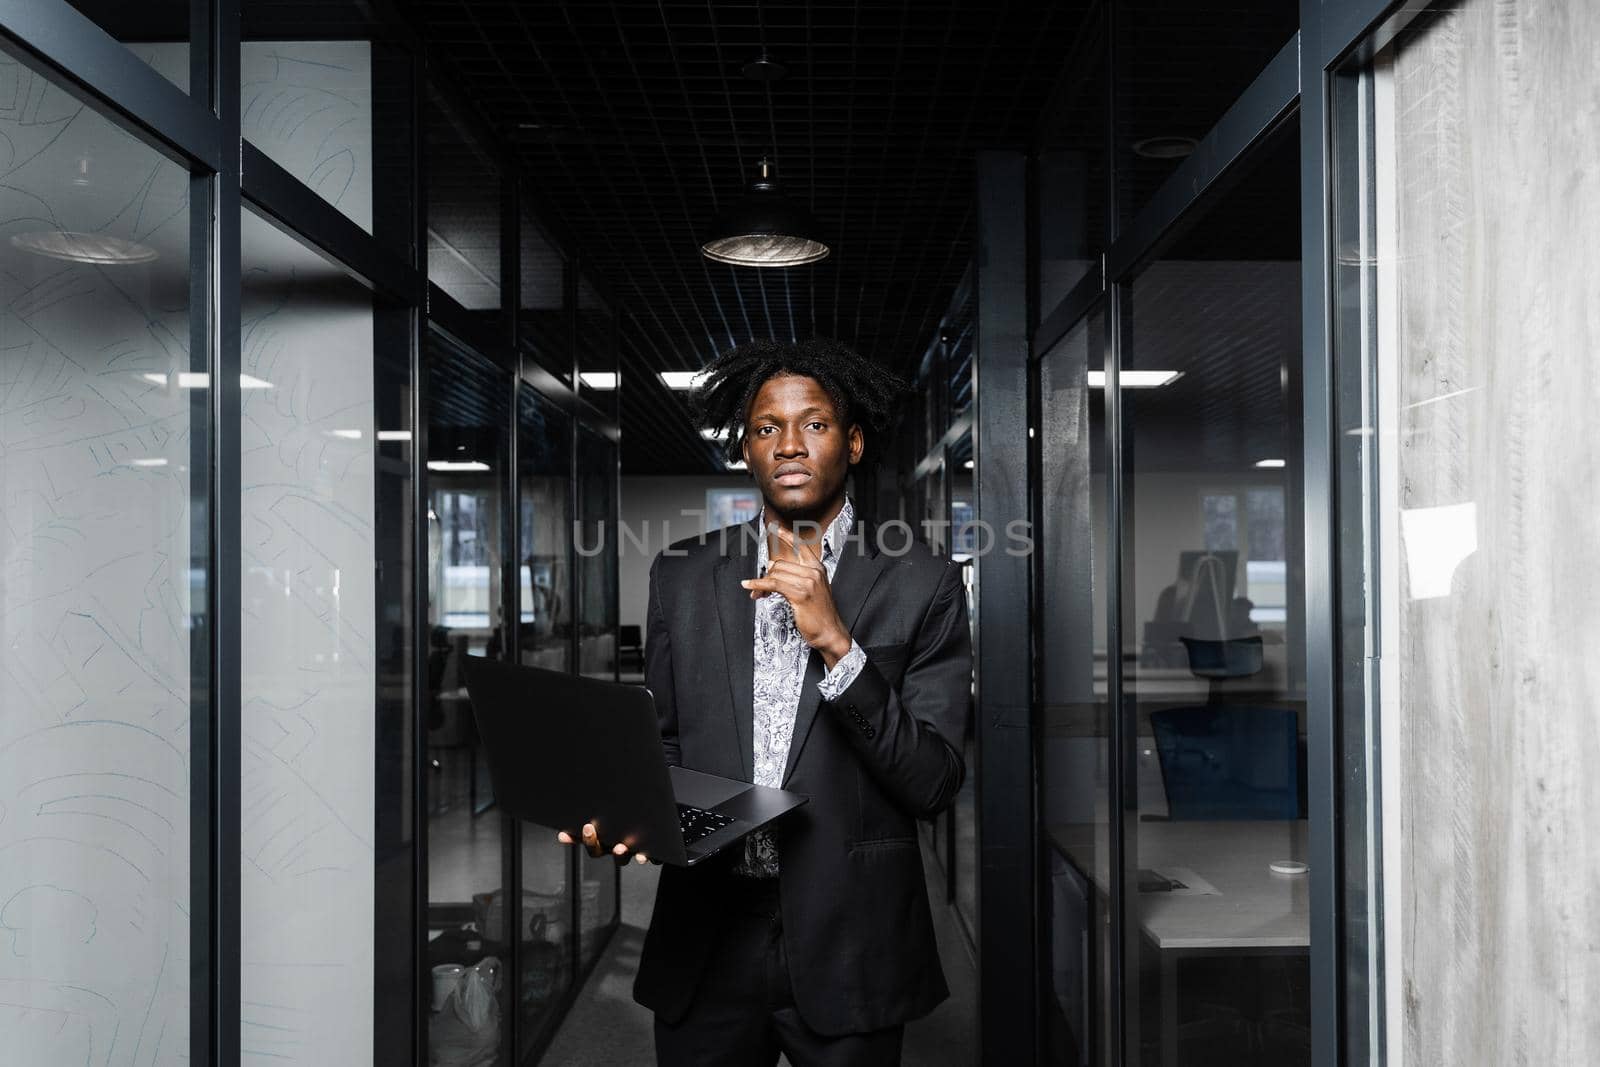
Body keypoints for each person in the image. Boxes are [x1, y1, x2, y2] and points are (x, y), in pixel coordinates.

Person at [557, 338, 973, 1065]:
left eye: (812, 423)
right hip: (707, 934)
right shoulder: (681, 573)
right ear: (746, 451)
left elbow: (934, 780)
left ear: (853, 441)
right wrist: (623, 814)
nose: (787, 443)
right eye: (765, 427)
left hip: (854, 939)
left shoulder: (924, 582)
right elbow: (665, 745)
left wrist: (840, 648)